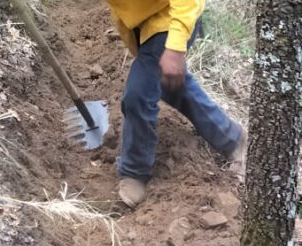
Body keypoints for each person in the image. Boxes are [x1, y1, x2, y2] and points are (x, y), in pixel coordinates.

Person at [105, 0, 247, 207]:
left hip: (173, 18)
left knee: (138, 96)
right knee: (170, 84)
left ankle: (134, 172)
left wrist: (175, 47)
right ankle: (232, 137)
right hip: (144, 23)